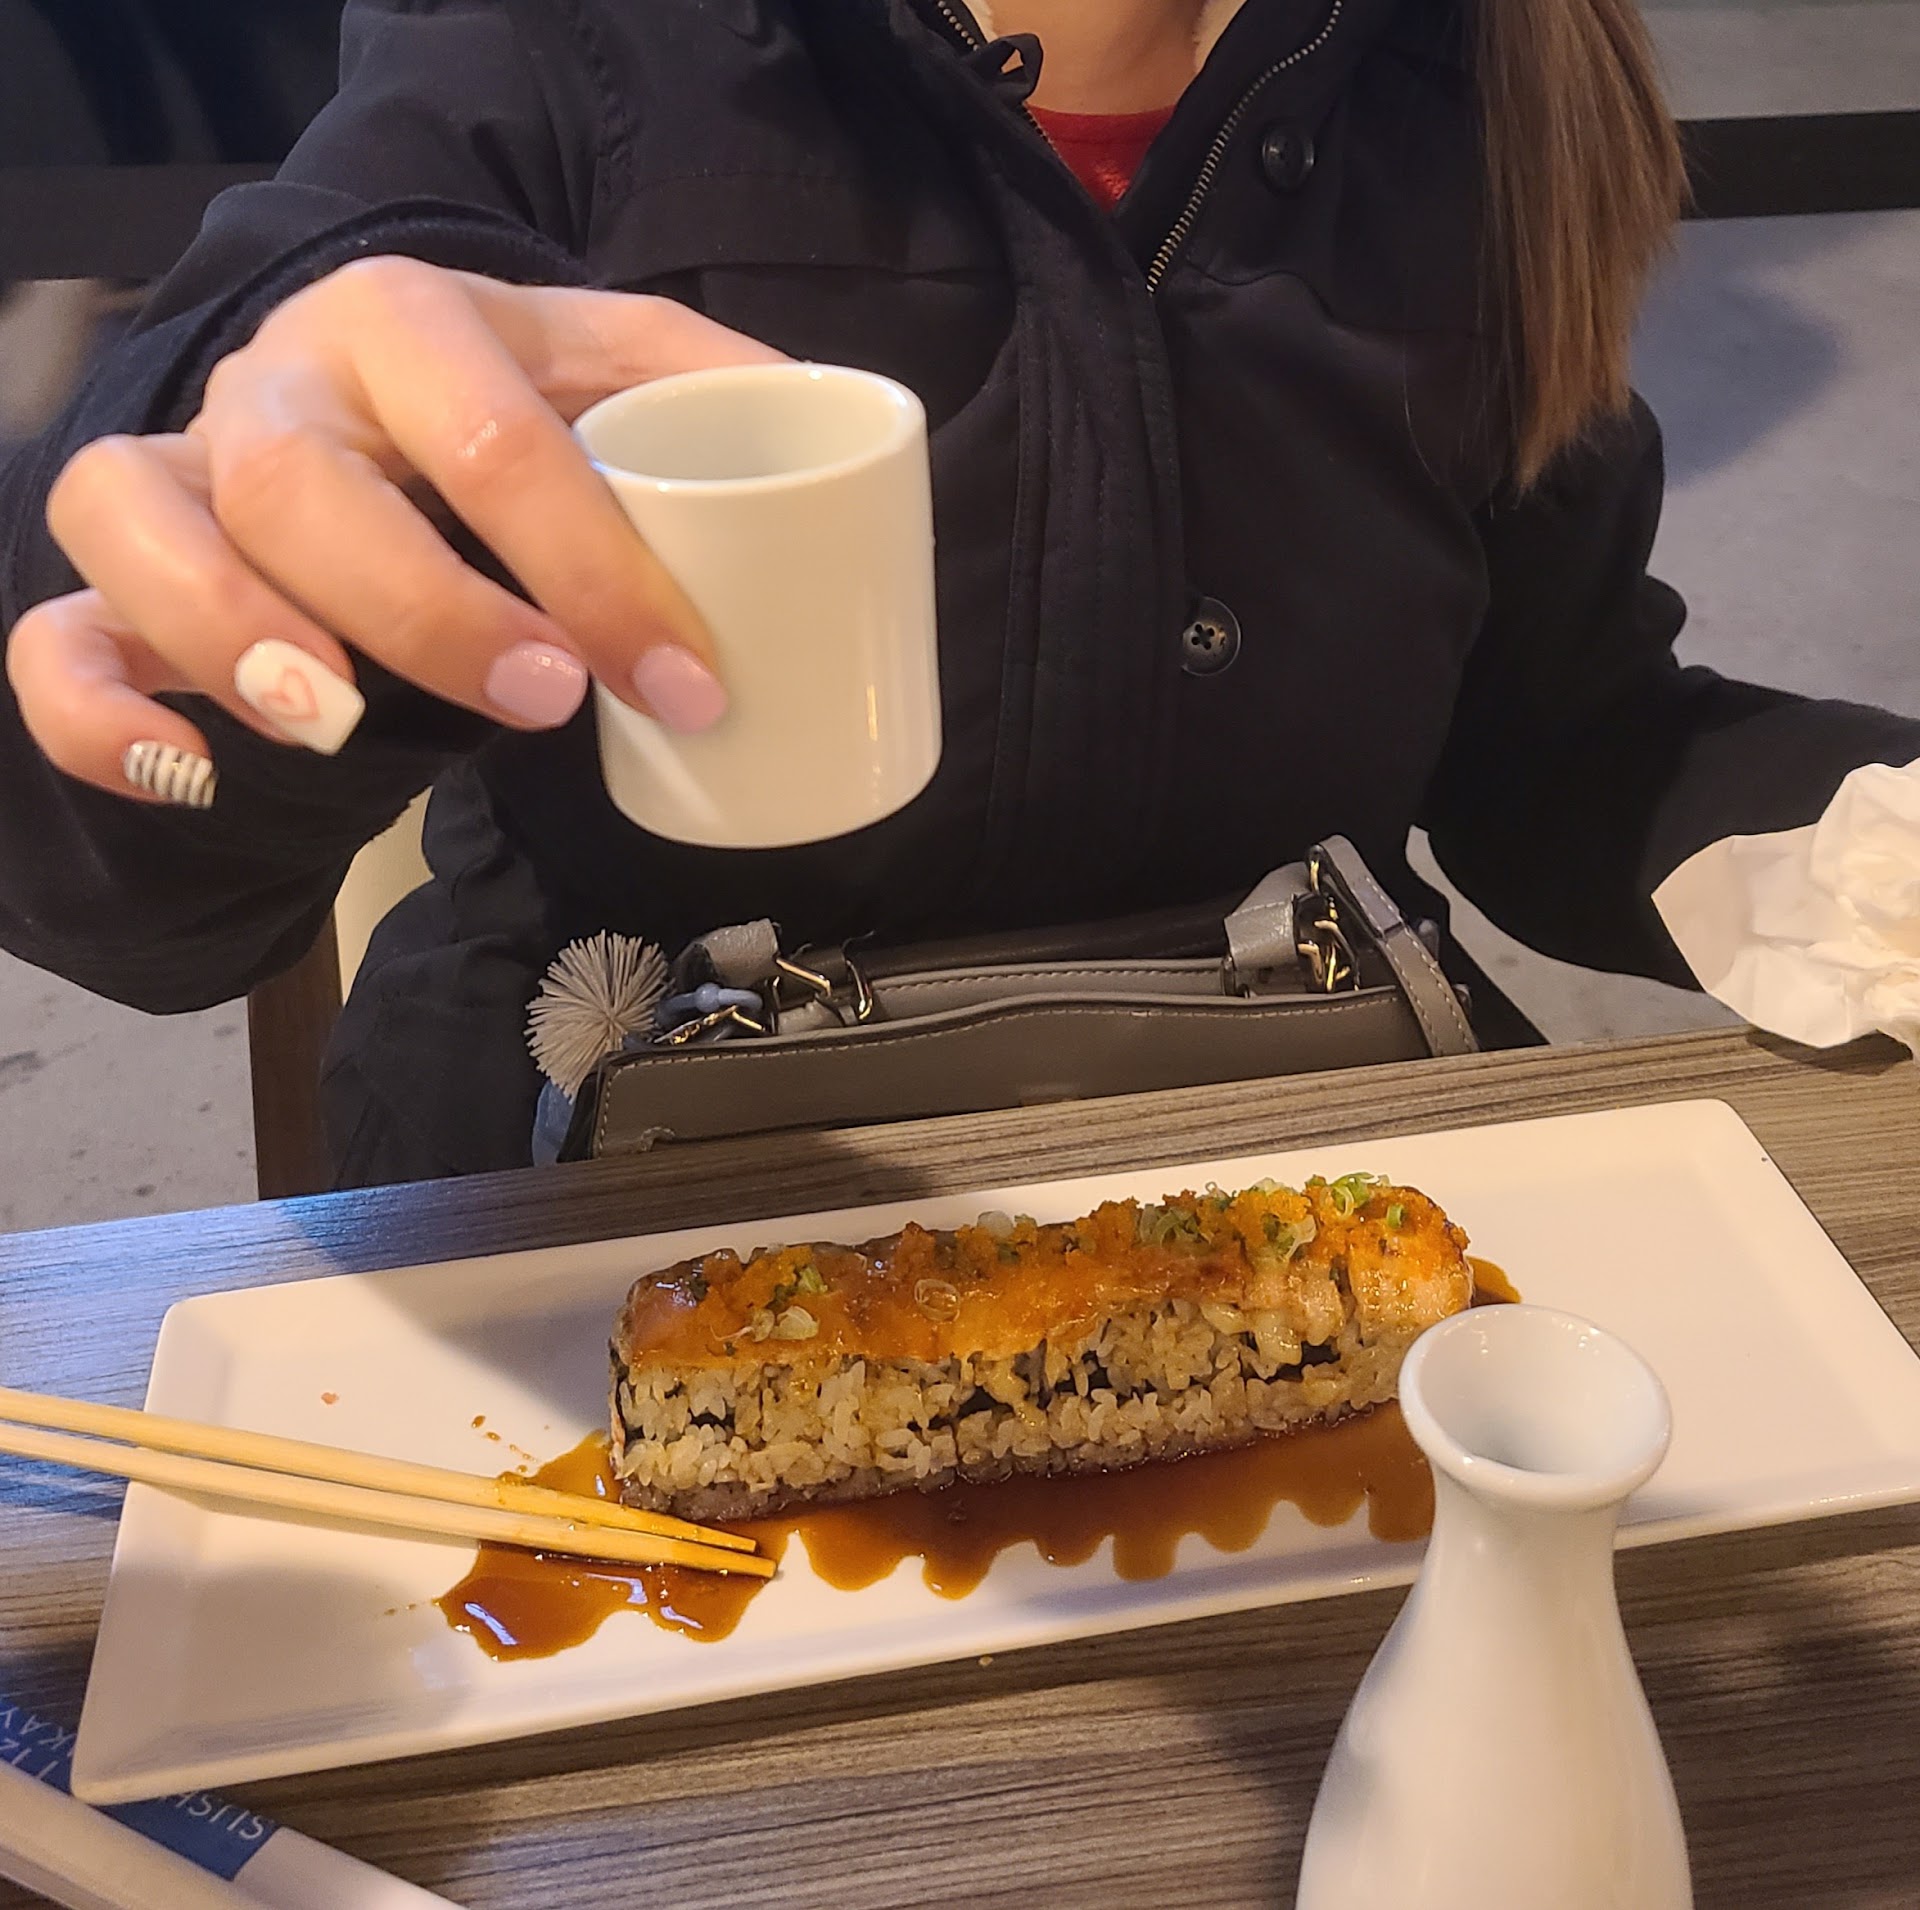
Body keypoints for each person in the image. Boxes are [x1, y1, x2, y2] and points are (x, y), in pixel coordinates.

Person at [2, 0, 1915, 1188]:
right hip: (601, 1192)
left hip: (1301, 1171)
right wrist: (257, 572)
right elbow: (101, 859)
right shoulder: (561, 51)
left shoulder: (1485, 98)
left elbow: (1561, 741)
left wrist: (1876, 851)